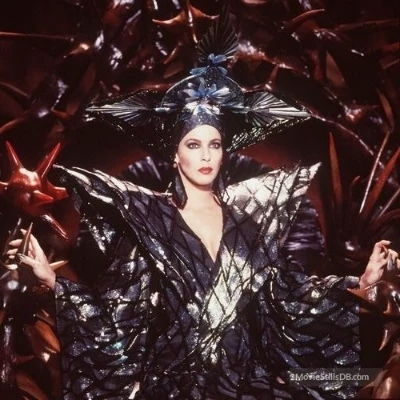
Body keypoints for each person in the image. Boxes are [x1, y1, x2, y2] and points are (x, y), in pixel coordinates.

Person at [6, 6, 400, 400]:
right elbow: (116, 315)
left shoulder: (253, 220)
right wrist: (50, 281)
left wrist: (363, 284)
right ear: (176, 154)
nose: (206, 156)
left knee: (354, 382)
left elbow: (294, 300)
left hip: (250, 382)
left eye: (215, 144)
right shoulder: (145, 220)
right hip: (169, 386)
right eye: (194, 145)